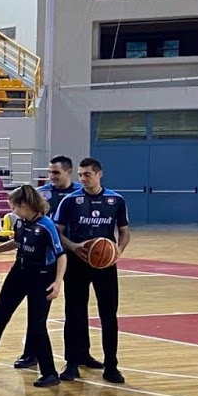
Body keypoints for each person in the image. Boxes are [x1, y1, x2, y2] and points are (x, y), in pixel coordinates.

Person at [0, 185, 67, 388]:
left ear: (24, 205)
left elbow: (61, 255)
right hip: (19, 273)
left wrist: (57, 283)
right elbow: (17, 242)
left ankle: (50, 373)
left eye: (13, 207)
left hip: (41, 278)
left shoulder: (46, 225)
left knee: (37, 326)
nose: (12, 211)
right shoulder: (21, 222)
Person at [54, 157, 131, 384]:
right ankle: (72, 363)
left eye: (87, 174)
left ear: (99, 174)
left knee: (109, 314)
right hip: (77, 262)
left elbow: (124, 232)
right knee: (74, 313)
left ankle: (111, 366)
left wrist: (118, 250)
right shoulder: (70, 201)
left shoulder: (116, 200)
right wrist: (74, 246)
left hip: (105, 265)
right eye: (80, 175)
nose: (83, 179)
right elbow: (57, 231)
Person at [15, 155, 81, 370]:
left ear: (68, 172)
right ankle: (30, 353)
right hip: (46, 259)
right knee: (38, 311)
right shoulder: (40, 194)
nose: (51, 176)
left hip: (75, 256)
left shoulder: (79, 194)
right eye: (49, 172)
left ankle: (81, 354)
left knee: (76, 309)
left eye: (56, 172)